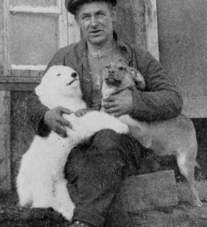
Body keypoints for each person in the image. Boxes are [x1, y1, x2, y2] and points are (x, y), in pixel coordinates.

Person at [27, 0, 183, 226]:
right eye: (86, 17)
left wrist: (136, 102)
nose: (93, 23)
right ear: (78, 22)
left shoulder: (138, 57)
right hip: (76, 145)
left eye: (100, 14)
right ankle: (90, 220)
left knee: (108, 138)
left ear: (113, 15)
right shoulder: (65, 57)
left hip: (123, 143)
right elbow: (34, 99)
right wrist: (46, 115)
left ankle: (84, 221)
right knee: (87, 170)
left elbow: (173, 98)